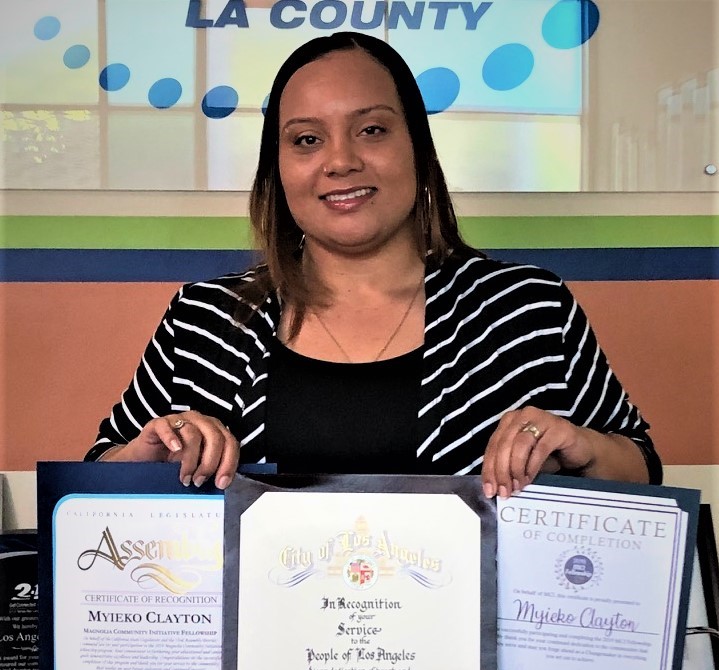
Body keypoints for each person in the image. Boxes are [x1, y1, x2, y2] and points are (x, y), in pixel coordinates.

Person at [85, 31, 662, 496]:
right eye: (306, 140)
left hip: (482, 642)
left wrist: (583, 448)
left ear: (417, 146)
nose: (340, 160)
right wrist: (146, 455)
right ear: (277, 169)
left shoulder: (528, 309)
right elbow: (98, 475)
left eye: (372, 129)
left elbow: (642, 466)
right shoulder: (204, 319)